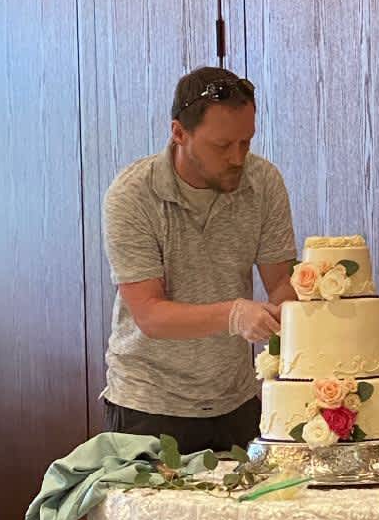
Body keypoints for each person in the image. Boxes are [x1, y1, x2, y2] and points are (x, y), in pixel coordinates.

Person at [100, 66, 297, 453]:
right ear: (179, 133)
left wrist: (285, 313)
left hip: (237, 400)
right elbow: (150, 316)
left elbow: (281, 282)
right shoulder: (132, 195)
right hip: (148, 405)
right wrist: (234, 314)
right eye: (222, 146)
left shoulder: (263, 182)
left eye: (246, 142)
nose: (238, 157)